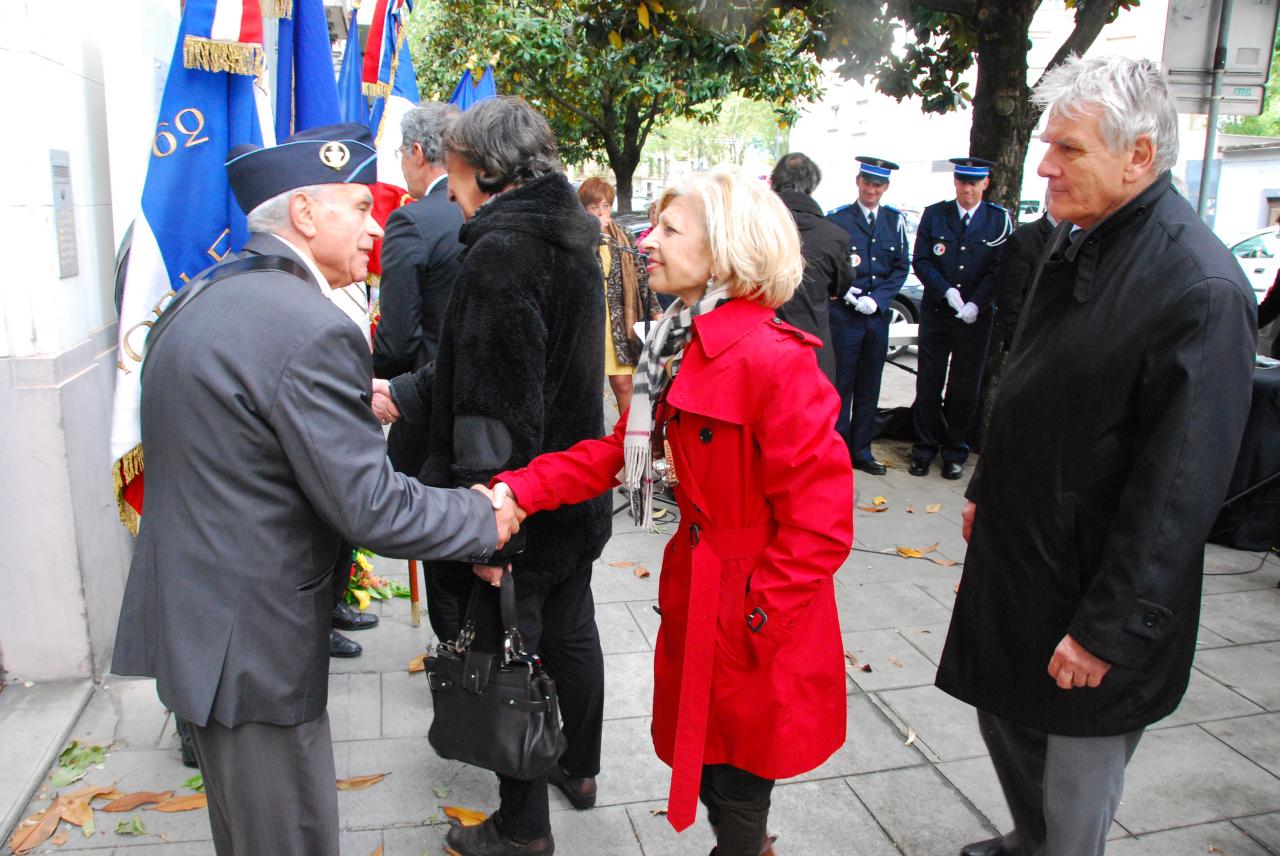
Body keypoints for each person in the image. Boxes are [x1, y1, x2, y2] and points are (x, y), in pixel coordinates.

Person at [110, 123, 521, 856]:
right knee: (287, 838)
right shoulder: (308, 327)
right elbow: (373, 506)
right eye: (359, 206)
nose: (375, 226)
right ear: (304, 214)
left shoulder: (212, 294)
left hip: (206, 626)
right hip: (253, 643)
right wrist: (484, 516)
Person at [935, 56, 1257, 856]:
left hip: (1093, 590)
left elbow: (1179, 489)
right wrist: (990, 483)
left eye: (1068, 149)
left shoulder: (1200, 288)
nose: (1044, 165)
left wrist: (1112, 630)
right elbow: (1032, 384)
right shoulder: (1079, 240)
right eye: (1049, 144)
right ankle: (1029, 838)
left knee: (1076, 777)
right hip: (1029, 554)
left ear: (1138, 156)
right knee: (1006, 714)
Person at [492, 170, 853, 856]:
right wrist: (521, 489)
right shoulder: (675, 343)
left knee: (740, 776)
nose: (646, 241)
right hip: (701, 585)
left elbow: (823, 523)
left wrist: (757, 620)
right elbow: (616, 454)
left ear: (724, 250)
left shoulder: (776, 361)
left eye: (669, 230)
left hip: (752, 601)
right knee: (719, 761)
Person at [417, 97, 611, 856]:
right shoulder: (569, 235)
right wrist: (402, 397)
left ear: (483, 169)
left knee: (514, 660)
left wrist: (488, 532)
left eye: (454, 164)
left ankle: (523, 829)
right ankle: (581, 768)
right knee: (569, 634)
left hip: (517, 504)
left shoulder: (503, 252)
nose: (448, 176)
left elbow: (495, 410)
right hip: (571, 492)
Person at [371, 102, 464, 477]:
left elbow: (397, 338)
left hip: (424, 405)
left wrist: (381, 388)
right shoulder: (491, 212)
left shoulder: (412, 221)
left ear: (417, 152)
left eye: (400, 154)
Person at [909, 156, 1012, 480]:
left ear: (985, 183)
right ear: (955, 183)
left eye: (973, 182)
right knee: (928, 382)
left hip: (974, 318)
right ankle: (924, 448)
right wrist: (946, 292)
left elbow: (1000, 268)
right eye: (962, 182)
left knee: (965, 386)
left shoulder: (998, 220)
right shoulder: (935, 214)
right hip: (939, 312)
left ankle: (955, 451)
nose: (967, 189)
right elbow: (922, 261)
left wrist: (977, 303)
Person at [826, 155, 910, 472]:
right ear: (857, 182)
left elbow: (901, 267)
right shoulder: (838, 220)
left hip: (875, 317)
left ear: (885, 187)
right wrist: (847, 292)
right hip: (845, 316)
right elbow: (829, 264)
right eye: (866, 182)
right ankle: (836, 451)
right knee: (841, 385)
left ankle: (861, 450)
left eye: (877, 184)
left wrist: (879, 299)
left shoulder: (894, 221)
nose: (871, 189)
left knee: (869, 385)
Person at [578, 176, 661, 416]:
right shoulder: (579, 238)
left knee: (623, 383)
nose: (602, 212)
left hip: (619, 318)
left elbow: (641, 276)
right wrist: (591, 234)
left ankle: (626, 439)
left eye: (605, 206)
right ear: (584, 209)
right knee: (586, 385)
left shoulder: (623, 236)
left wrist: (655, 309)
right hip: (589, 319)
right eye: (595, 207)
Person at [769, 151, 850, 385]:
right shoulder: (834, 237)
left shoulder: (751, 231)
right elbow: (840, 287)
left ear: (774, 184)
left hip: (760, 352)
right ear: (813, 186)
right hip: (812, 350)